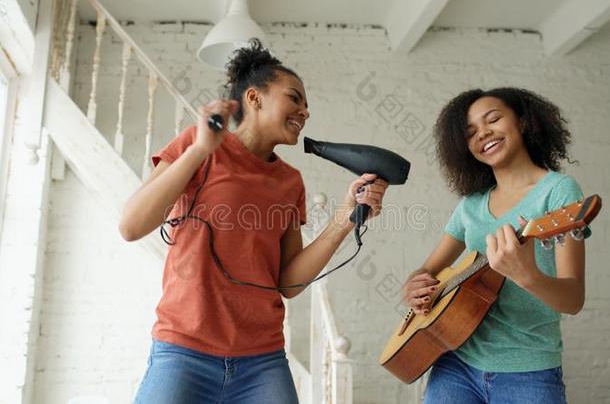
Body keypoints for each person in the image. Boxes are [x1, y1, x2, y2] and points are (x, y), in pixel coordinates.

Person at [119, 39, 388, 403]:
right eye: (294, 98)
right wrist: (200, 149)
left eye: (307, 105)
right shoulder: (196, 146)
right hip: (183, 350)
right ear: (254, 98)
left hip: (262, 361)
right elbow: (131, 226)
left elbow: (289, 283)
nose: (305, 112)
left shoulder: (290, 181)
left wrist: (345, 216)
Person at [403, 88, 590, 404]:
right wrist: (413, 286)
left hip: (528, 371)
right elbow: (427, 270)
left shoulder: (559, 193)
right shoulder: (471, 206)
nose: (483, 134)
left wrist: (527, 275)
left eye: (493, 119)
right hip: (455, 365)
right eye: (471, 132)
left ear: (523, 121)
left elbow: (573, 300)